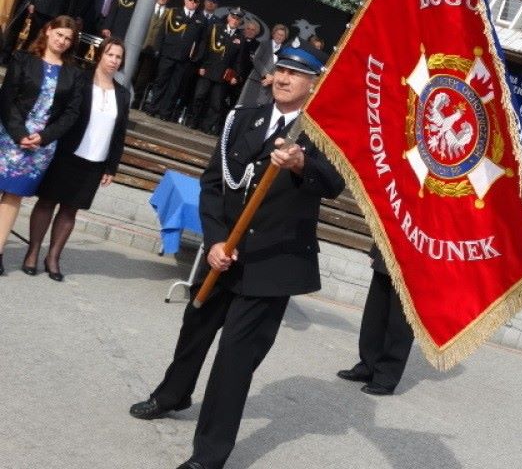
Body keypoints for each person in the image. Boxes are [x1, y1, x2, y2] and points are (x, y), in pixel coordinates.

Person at [129, 44, 345, 469]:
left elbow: (334, 184)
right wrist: (214, 241)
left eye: (294, 74)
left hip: (272, 264)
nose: (283, 79)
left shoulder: (323, 134)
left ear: (313, 83)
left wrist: (302, 162)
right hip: (223, 252)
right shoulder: (243, 119)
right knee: (195, 328)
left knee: (235, 360)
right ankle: (173, 394)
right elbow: (212, 185)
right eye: (280, 70)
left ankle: (209, 455)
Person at [22, 37, 130, 281]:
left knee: (70, 210)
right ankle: (33, 251)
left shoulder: (122, 94)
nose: (113, 60)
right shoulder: (80, 80)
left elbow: (119, 133)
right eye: (110, 54)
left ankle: (53, 257)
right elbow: (62, 113)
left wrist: (111, 166)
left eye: (118, 57)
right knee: (47, 203)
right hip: (67, 153)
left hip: (95, 161)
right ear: (100, 55)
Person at [0, 15, 82, 276]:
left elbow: (71, 113)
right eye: (59, 34)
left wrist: (44, 137)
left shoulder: (73, 74)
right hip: (9, 137)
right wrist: (18, 132)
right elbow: (7, 98)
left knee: (13, 196)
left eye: (68, 39)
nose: (62, 41)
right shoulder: (23, 60)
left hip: (40, 147)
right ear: (48, 31)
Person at [337, 245, 415, 395]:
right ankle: (367, 366)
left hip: (420, 257)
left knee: (400, 321)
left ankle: (386, 377)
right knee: (374, 314)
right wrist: (376, 248)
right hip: (391, 244)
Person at [146, 0, 205, 120]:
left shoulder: (200, 19)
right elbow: (162, 32)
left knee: (174, 87)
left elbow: (202, 41)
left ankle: (165, 113)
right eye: (190, 0)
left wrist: (196, 57)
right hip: (168, 54)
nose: (192, 3)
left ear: (198, 3)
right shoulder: (173, 12)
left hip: (184, 58)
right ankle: (153, 107)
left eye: (196, 1)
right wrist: (157, 49)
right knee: (160, 82)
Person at [189, 7, 244, 134]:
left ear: (240, 22)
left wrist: (236, 75)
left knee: (216, 103)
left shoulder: (240, 38)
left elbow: (238, 60)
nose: (235, 21)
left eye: (238, 19)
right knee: (199, 96)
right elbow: (205, 48)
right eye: (233, 17)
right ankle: (193, 121)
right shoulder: (216, 28)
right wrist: (202, 65)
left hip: (223, 75)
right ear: (229, 17)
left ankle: (206, 126)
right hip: (208, 69)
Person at [133, 0, 170, 107]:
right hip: (140, 46)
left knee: (143, 78)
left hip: (153, 50)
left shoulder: (169, 13)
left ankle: (136, 101)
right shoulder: (148, 7)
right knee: (133, 72)